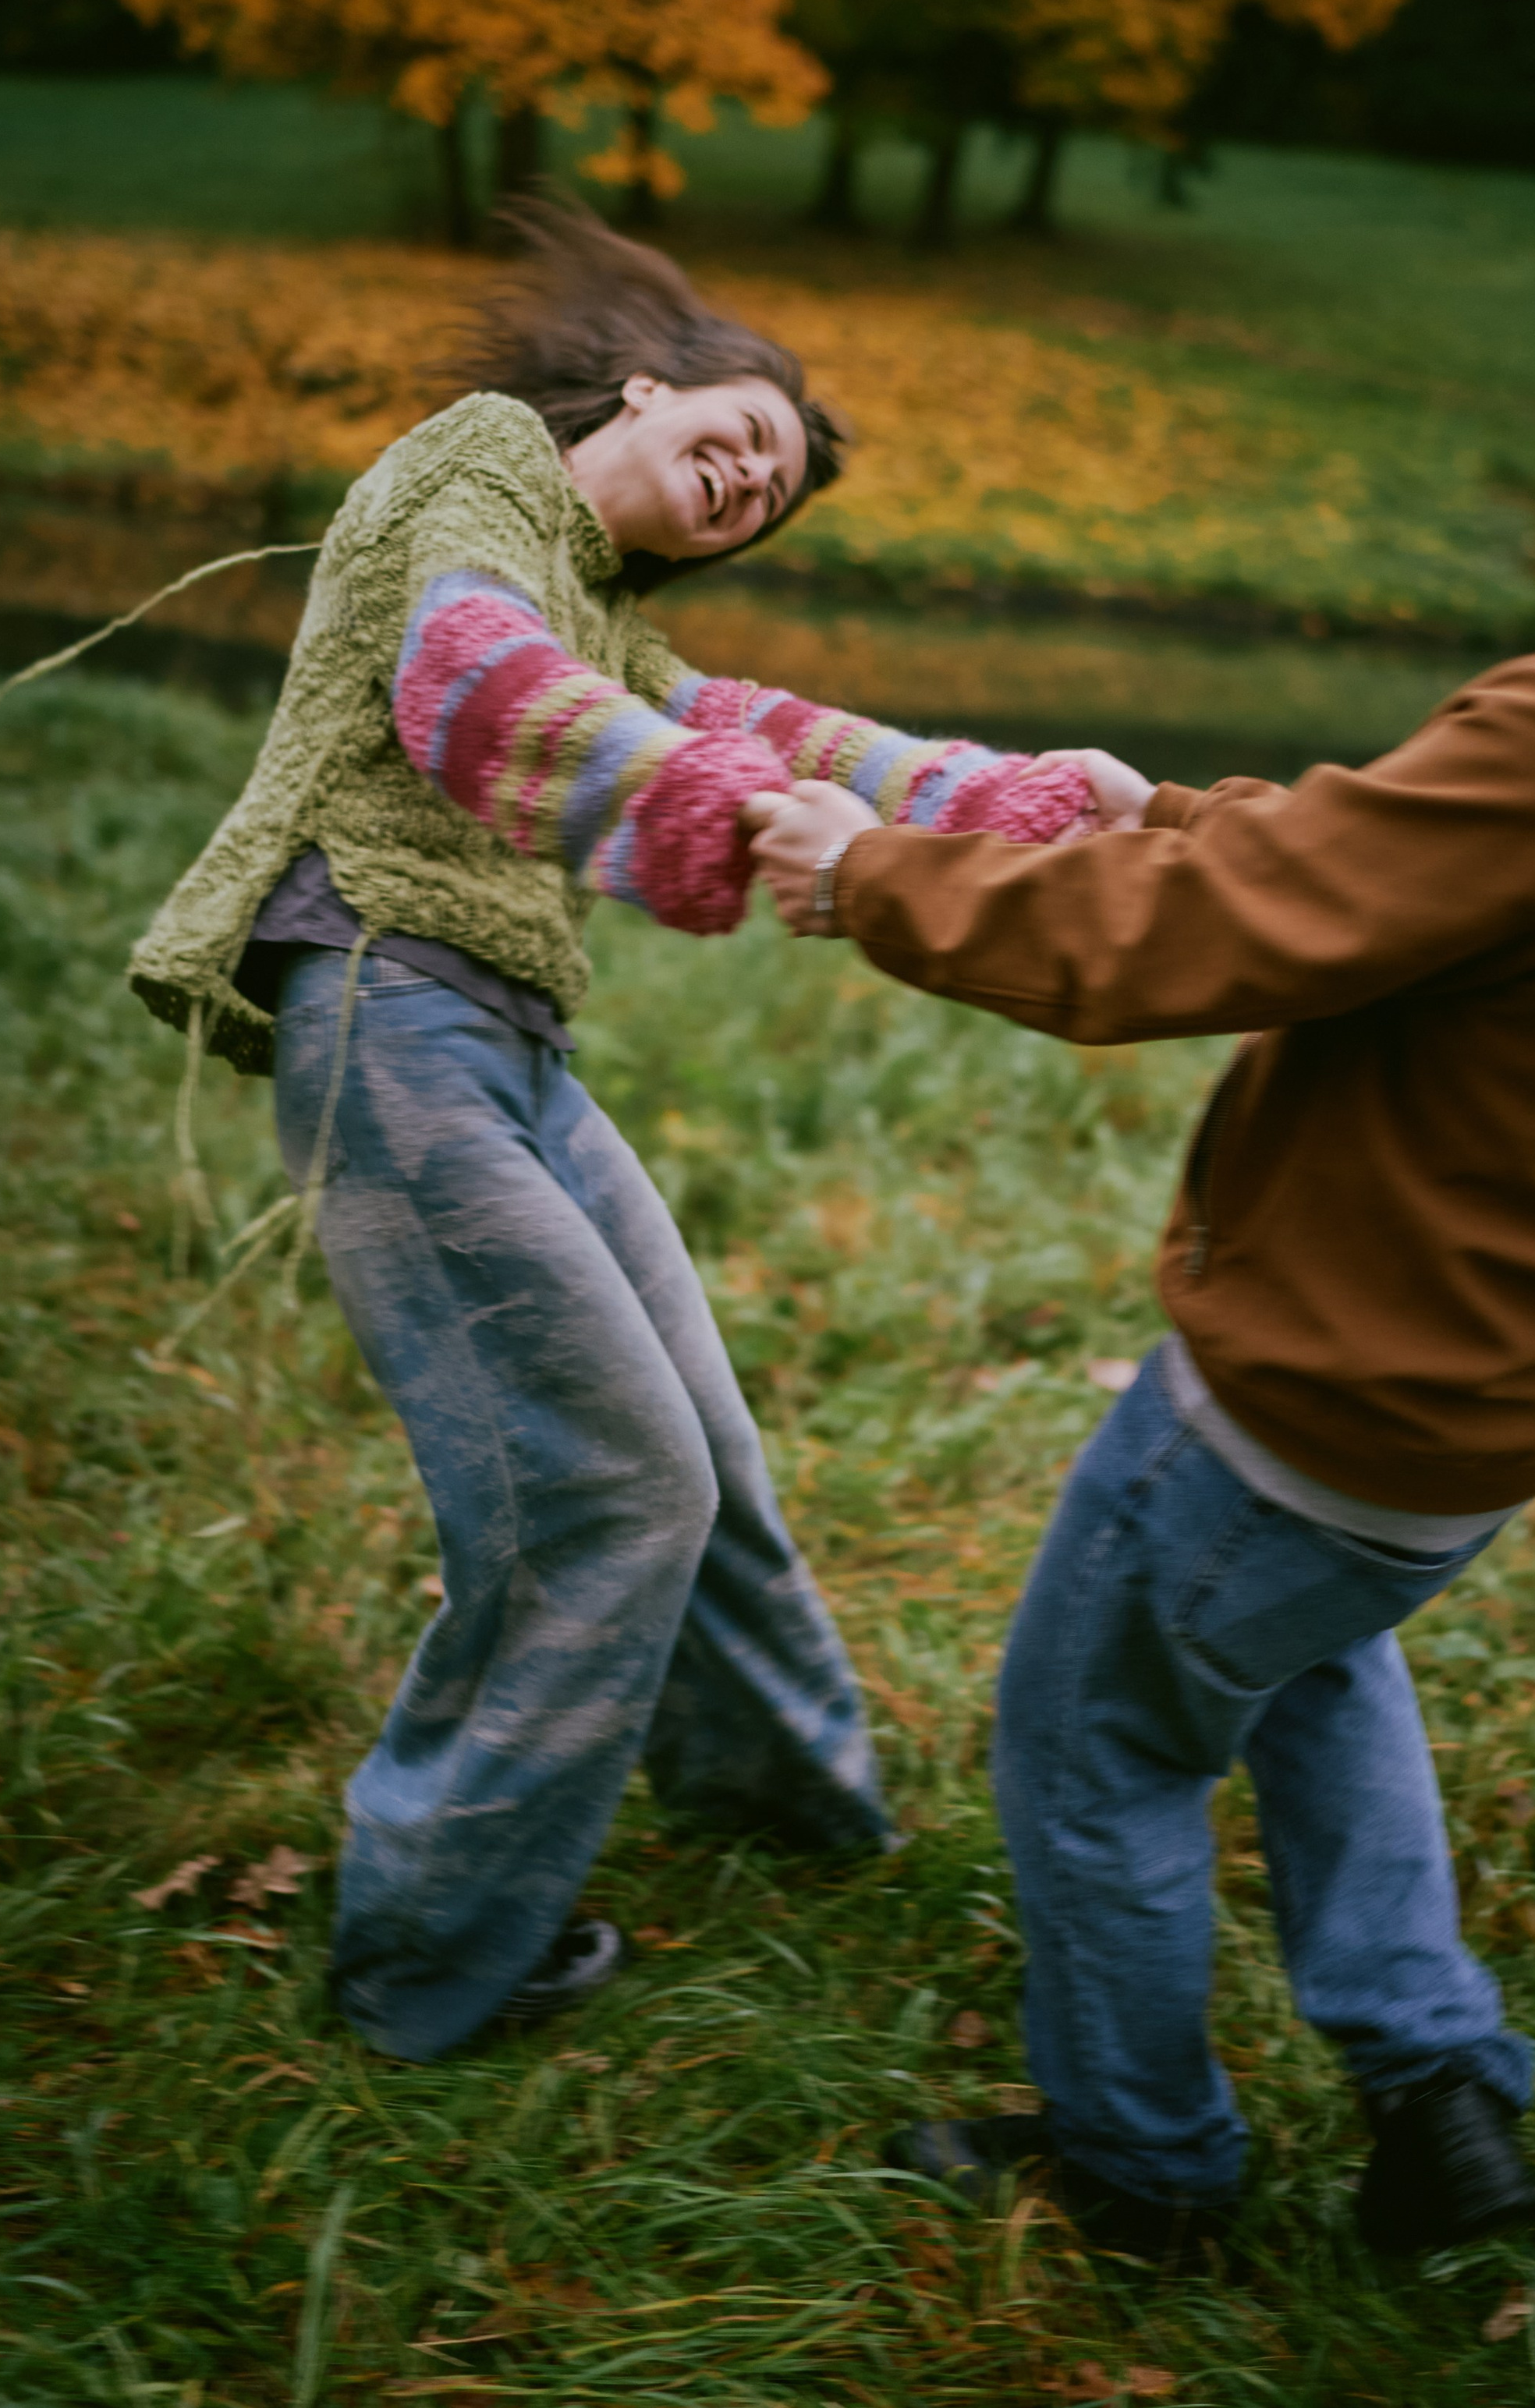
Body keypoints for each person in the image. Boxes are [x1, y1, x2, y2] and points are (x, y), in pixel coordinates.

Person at [747, 120, 1535, 2271]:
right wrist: (1170, 802)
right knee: (1298, 1664)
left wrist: (878, 873)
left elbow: (1203, 939)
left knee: (1094, 1746)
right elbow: (1433, 886)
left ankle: (1143, 2172)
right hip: (1496, 1411)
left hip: (1309, 1399)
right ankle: (1439, 2101)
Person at [126, 207, 1101, 2064]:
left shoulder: (618, 619)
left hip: (501, 1040)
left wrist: (1052, 813)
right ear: (646, 386)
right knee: (603, 1491)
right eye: (740, 435)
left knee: (701, 1451)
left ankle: (772, 1802)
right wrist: (702, 809)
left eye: (771, 496)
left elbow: (810, 743)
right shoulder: (477, 471)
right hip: (379, 1014)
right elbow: (468, 675)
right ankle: (428, 1961)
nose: (751, 479)